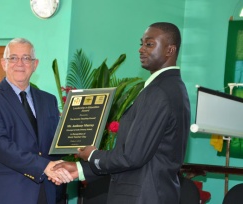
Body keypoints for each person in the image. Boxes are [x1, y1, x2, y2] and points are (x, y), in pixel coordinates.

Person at [51, 22, 191, 203]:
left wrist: (93, 155)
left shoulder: (159, 91)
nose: (141, 49)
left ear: (170, 50)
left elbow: (132, 156)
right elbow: (145, 156)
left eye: (149, 44)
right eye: (141, 43)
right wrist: (80, 169)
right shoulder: (173, 87)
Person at [0, 38, 71, 204]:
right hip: (7, 193)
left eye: (26, 58)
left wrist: (76, 140)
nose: (20, 63)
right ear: (3, 63)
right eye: (13, 58)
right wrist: (44, 167)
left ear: (35, 64)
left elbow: (53, 145)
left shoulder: (48, 100)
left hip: (45, 191)